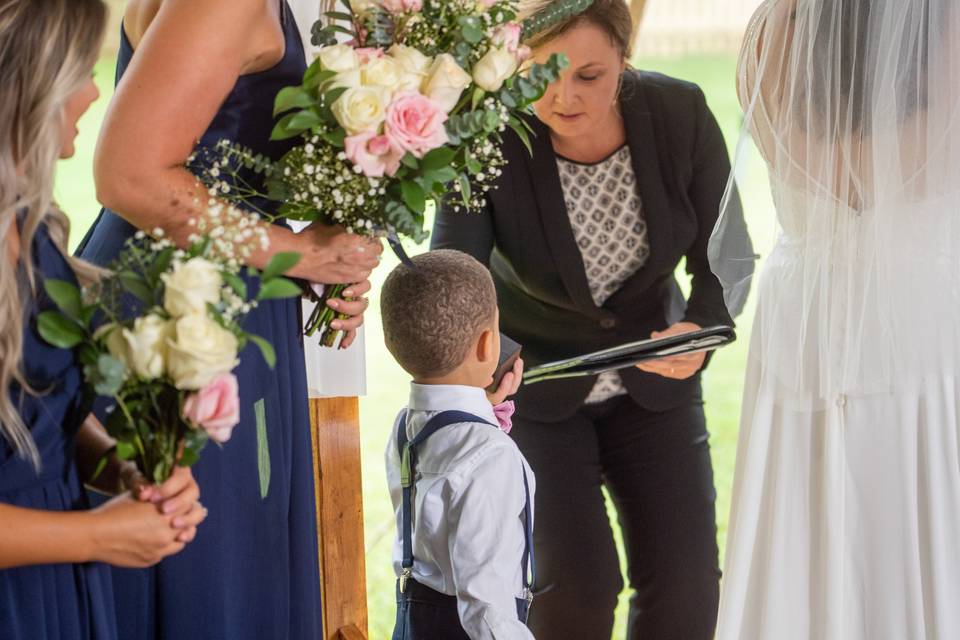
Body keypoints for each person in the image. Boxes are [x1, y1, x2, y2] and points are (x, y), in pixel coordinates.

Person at [431, 1, 752, 637]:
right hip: (535, 393)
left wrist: (701, 327)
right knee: (576, 585)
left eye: (590, 75)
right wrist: (489, 365)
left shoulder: (680, 111)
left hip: (654, 388)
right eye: (542, 73)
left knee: (689, 588)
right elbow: (453, 279)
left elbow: (728, 253)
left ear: (625, 64)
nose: (563, 96)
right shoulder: (482, 133)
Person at [74, 0, 383, 637]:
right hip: (181, 318)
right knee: (209, 571)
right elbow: (128, 176)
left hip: (228, 294)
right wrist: (303, 253)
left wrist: (301, 263)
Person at [713, 1, 960, 638]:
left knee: (806, 520)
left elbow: (807, 162)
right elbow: (894, 179)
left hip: (810, 310)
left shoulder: (772, 30)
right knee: (912, 514)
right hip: (915, 306)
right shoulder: (945, 25)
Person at [0, 1, 205, 638]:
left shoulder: (35, 231)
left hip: (58, 580)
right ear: (33, 84)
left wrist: (123, 465)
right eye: (82, 72)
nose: (95, 92)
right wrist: (92, 534)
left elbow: (40, 413)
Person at [380, 250, 532, 640]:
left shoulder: (405, 425)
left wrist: (484, 408)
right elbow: (486, 610)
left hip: (416, 620)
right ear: (487, 344)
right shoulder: (491, 456)